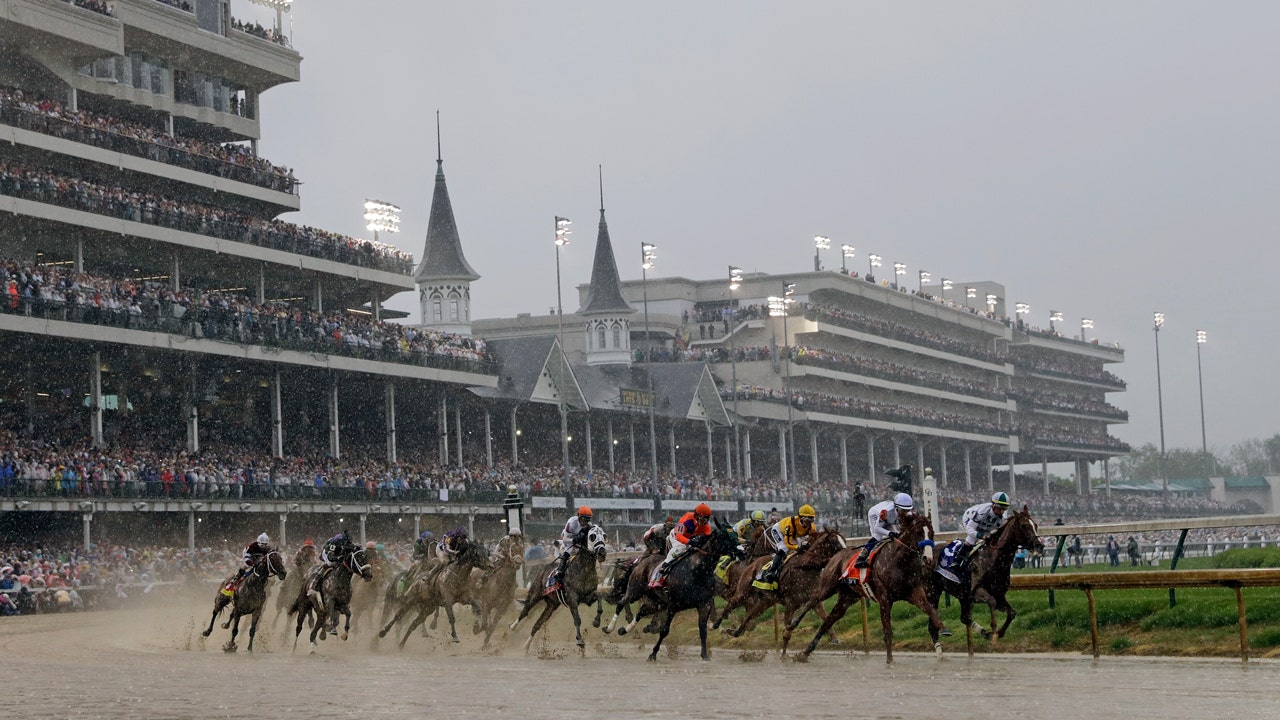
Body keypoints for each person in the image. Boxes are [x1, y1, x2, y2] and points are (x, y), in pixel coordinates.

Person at [650, 503, 714, 587]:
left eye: (707, 518)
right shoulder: (687, 518)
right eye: (704, 518)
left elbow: (708, 541)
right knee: (681, 548)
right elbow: (678, 535)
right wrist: (689, 542)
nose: (705, 521)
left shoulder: (707, 527)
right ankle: (660, 572)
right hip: (676, 536)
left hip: (689, 540)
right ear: (698, 515)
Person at [759, 504, 818, 583]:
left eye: (811, 521)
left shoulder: (812, 527)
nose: (808, 524)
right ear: (800, 518)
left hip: (793, 534)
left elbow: (814, 540)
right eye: (806, 521)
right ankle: (771, 571)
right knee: (783, 548)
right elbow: (788, 543)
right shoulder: (791, 524)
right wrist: (798, 547)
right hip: (778, 530)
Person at [955, 491, 1011, 572]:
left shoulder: (1003, 516)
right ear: (993, 505)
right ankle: (958, 561)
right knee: (972, 539)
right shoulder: (983, 512)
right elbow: (970, 529)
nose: (1002, 511)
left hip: (986, 525)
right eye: (1000, 508)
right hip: (969, 518)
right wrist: (980, 536)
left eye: (1004, 508)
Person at [853, 493, 913, 569]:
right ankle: (861, 557)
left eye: (907, 510)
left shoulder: (905, 513)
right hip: (875, 514)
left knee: (897, 535)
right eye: (903, 510)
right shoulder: (885, 512)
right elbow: (877, 529)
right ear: (896, 507)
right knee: (878, 537)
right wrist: (889, 533)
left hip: (889, 519)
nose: (905, 513)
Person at [552, 506, 594, 583]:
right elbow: (565, 539)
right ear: (579, 517)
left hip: (579, 540)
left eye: (588, 520)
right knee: (569, 549)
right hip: (569, 538)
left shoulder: (589, 524)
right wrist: (573, 540)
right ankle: (560, 571)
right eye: (584, 519)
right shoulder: (572, 522)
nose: (585, 523)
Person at [311, 530, 355, 597]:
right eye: (347, 543)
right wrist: (337, 558)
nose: (348, 544)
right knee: (331, 564)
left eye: (349, 543)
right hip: (327, 553)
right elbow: (330, 556)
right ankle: (316, 583)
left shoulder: (348, 543)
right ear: (343, 541)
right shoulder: (335, 543)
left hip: (336, 553)